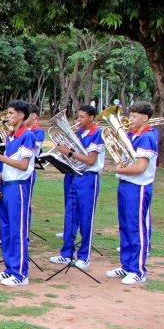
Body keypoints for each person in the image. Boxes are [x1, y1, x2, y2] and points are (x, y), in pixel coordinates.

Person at [0, 100, 36, 286]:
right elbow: (11, 163)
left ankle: (21, 274)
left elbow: (23, 165)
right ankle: (10, 268)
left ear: (21, 116)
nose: (8, 117)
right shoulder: (11, 136)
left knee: (18, 230)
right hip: (7, 184)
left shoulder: (27, 136)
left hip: (19, 186)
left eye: (11, 114)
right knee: (5, 228)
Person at [49, 105, 104, 270]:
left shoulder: (97, 133)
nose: (78, 120)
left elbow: (90, 160)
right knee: (70, 215)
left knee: (86, 218)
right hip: (74, 175)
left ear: (91, 118)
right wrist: (63, 154)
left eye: (81, 117)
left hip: (88, 178)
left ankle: (84, 256)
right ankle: (66, 253)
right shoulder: (80, 133)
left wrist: (70, 152)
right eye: (78, 117)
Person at [108, 102, 158, 285]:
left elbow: (140, 167)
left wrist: (120, 170)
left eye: (135, 116)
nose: (131, 119)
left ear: (145, 118)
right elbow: (123, 156)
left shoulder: (147, 137)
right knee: (125, 226)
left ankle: (138, 270)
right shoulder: (132, 134)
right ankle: (127, 264)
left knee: (137, 227)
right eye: (131, 115)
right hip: (126, 185)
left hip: (138, 187)